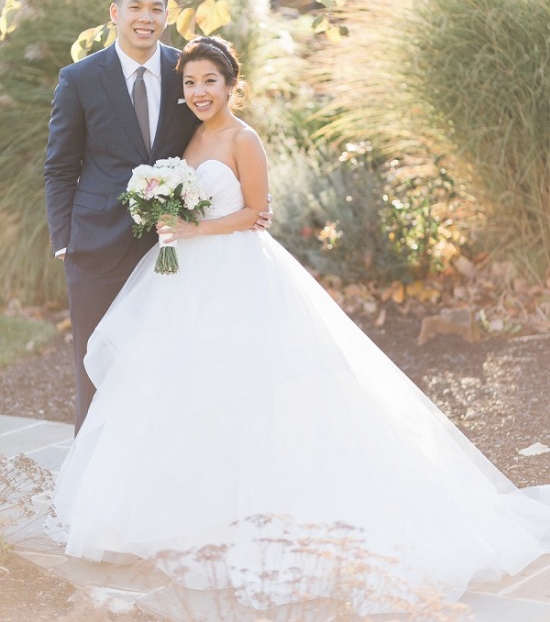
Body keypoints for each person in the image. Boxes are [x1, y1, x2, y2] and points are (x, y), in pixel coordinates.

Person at [48, 36, 550, 615]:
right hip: (183, 280)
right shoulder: (189, 137)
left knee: (250, 392)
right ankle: (189, 515)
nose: (199, 91)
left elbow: (254, 215)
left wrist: (193, 230)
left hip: (235, 275)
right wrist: (167, 213)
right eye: (190, 83)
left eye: (210, 81)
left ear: (232, 84)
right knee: (187, 395)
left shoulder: (243, 137)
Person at [44, 0, 270, 433]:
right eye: (136, 7)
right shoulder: (79, 79)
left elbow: (220, 134)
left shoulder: (187, 72)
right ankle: (90, 492)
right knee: (97, 367)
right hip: (95, 248)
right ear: (115, 12)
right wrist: (64, 239)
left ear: (168, 14)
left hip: (175, 253)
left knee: (166, 371)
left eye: (156, 8)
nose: (146, 17)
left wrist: (247, 203)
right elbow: (61, 167)